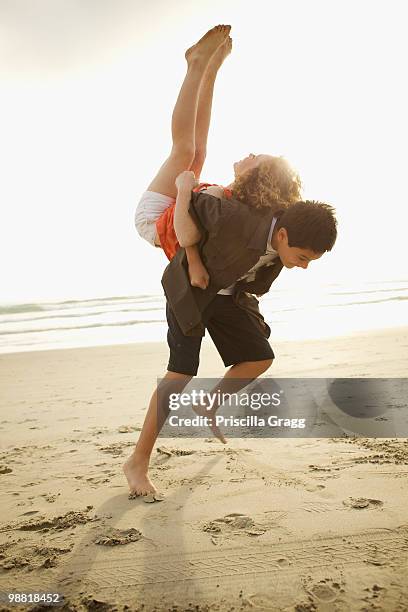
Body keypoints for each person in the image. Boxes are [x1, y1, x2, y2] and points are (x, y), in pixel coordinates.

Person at [124, 25, 337, 496]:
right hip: (164, 222)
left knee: (257, 356)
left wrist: (244, 299)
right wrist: (185, 203)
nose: (243, 156)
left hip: (217, 278)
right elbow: (186, 234)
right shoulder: (228, 210)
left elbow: (256, 264)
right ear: (283, 234)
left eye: (253, 157)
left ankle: (208, 67)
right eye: (300, 257)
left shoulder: (277, 224)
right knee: (186, 152)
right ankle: (137, 463)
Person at [134, 24, 302, 289]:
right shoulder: (240, 199)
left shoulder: (236, 207)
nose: (249, 153)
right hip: (175, 207)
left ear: (255, 177)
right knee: (199, 151)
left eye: (255, 157)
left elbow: (193, 236)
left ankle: (196, 63)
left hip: (154, 219)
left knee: (185, 150)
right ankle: (211, 70)